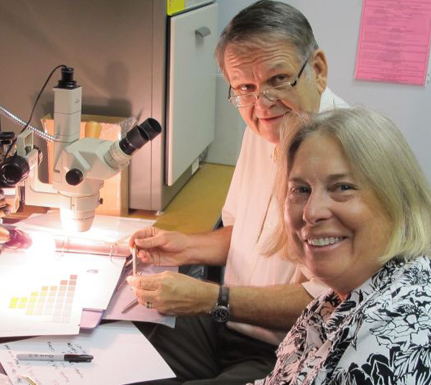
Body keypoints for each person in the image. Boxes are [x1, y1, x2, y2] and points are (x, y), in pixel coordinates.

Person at [127, 1, 347, 383]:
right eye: (245, 88)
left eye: (278, 80)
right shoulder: (262, 130)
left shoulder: (346, 157)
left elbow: (326, 303)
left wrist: (210, 298)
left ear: (318, 70)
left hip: (288, 352)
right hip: (227, 322)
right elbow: (245, 235)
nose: (262, 104)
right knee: (117, 356)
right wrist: (185, 245)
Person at [249, 107, 431, 384]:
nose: (311, 212)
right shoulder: (346, 294)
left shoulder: (400, 334)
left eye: (343, 188)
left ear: (398, 200)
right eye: (300, 189)